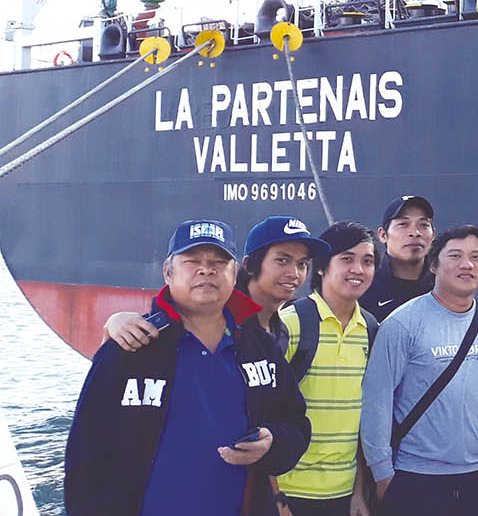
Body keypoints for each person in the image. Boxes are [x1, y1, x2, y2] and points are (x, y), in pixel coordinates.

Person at [64, 219, 311, 516]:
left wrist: (273, 443)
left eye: (219, 263)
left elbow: (295, 422)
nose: (206, 270)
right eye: (193, 261)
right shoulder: (129, 349)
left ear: (235, 274)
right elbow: (86, 451)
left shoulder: (259, 345)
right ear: (168, 272)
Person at [361, 224, 478, 515]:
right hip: (415, 478)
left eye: (476, 257)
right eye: (455, 255)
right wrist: (382, 474)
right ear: (434, 264)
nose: (467, 264)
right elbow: (376, 401)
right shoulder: (402, 323)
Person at [274, 222, 380, 516]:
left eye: (367, 261)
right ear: (321, 267)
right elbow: (261, 409)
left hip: (343, 494)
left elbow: (363, 421)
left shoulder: (370, 329)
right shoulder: (292, 323)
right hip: (291, 490)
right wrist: (277, 499)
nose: (358, 269)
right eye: (347, 259)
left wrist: (359, 493)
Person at [103, 214, 324, 354]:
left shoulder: (279, 330)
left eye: (303, 264)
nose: (294, 273)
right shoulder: (219, 316)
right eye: (282, 260)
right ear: (248, 264)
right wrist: (116, 322)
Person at [361, 195, 436, 322]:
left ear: (433, 234)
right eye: (403, 224)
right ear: (383, 235)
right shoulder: (364, 288)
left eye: (423, 225)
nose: (415, 232)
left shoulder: (444, 287)